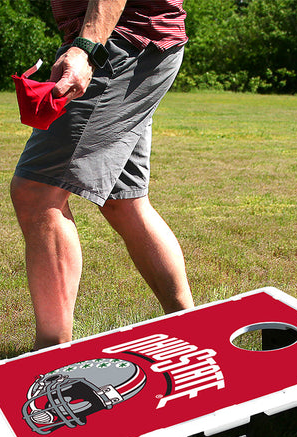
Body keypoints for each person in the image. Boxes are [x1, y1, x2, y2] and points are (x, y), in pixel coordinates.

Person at [10, 0, 194, 350]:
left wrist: (86, 48)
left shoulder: (100, 45)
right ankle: (190, 325)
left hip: (121, 44)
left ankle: (51, 355)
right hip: (136, 44)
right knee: (124, 202)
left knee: (37, 192)